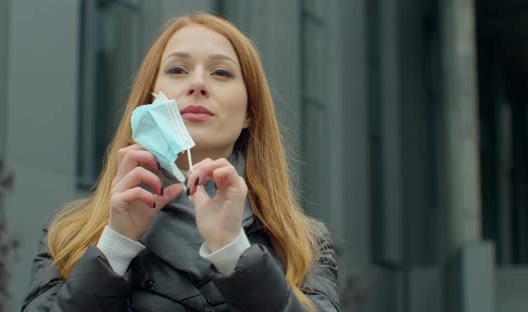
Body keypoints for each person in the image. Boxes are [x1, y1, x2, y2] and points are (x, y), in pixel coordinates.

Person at [22, 12, 340, 312]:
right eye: (177, 70)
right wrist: (115, 246)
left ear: (249, 113)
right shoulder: (68, 236)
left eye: (222, 72)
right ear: (149, 101)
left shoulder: (304, 246)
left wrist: (233, 251)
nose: (198, 83)